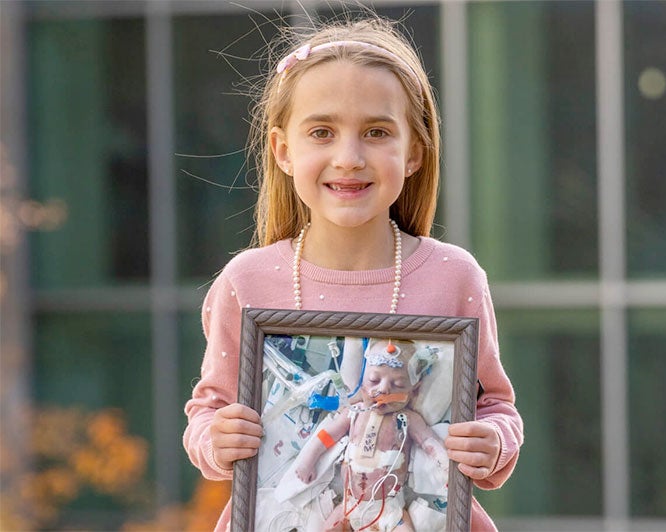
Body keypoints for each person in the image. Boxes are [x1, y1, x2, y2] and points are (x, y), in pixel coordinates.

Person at [183, 14, 524, 532]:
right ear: (283, 151)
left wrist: (492, 441)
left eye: (376, 132)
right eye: (322, 132)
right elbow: (207, 412)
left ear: (413, 152)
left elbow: (496, 406)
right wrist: (217, 439)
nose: (348, 157)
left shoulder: (454, 277)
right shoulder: (246, 281)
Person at [293, 339, 449, 531]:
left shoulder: (408, 419)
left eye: (398, 384)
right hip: (349, 505)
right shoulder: (354, 412)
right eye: (374, 380)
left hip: (390, 510)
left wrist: (448, 466)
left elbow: (429, 441)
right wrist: (307, 461)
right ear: (362, 380)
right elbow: (328, 435)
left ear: (413, 391)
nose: (383, 389)